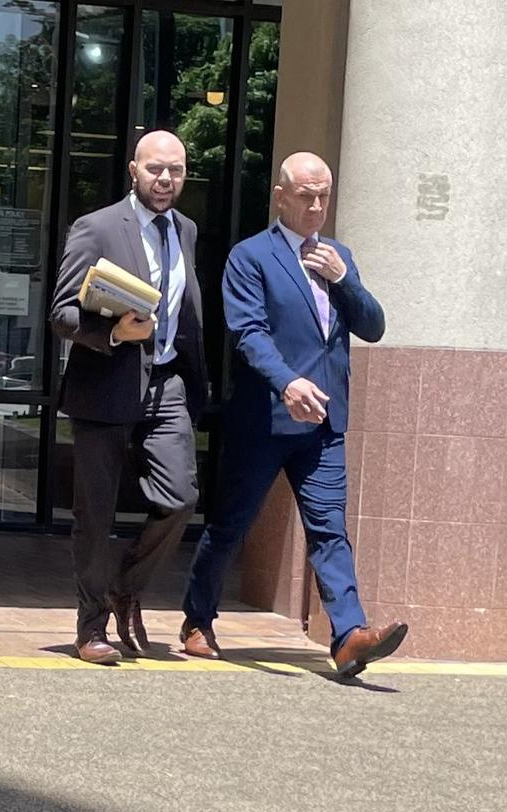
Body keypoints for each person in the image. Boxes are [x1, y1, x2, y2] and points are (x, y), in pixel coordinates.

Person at [179, 151, 408, 677]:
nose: (315, 204)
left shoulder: (337, 255)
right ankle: (197, 619)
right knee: (231, 525)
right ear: (280, 195)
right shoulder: (251, 256)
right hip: (264, 420)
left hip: (324, 425)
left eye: (323, 194)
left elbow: (373, 326)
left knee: (329, 529)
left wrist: (345, 278)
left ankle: (349, 636)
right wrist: (287, 383)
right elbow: (247, 333)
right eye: (305, 194)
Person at [51, 130, 207, 664]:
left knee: (181, 497)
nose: (166, 180)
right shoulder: (96, 227)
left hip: (166, 384)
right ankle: (90, 628)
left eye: (176, 171)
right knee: (94, 515)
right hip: (106, 383)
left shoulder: (185, 230)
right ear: (133, 170)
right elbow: (62, 313)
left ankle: (125, 585)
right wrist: (116, 332)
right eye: (156, 169)